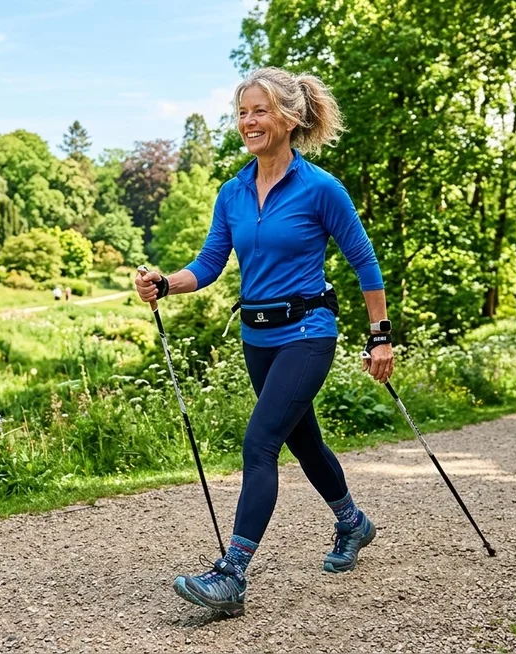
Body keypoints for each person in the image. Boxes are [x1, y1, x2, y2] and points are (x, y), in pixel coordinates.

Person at [135, 67, 395, 617]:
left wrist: (380, 338)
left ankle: (231, 575)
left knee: (260, 444)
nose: (248, 121)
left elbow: (364, 262)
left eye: (259, 110)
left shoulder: (321, 189)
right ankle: (353, 522)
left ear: (290, 118)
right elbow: (208, 264)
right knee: (303, 443)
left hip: (308, 332)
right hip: (258, 335)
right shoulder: (232, 192)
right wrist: (166, 283)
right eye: (243, 112)